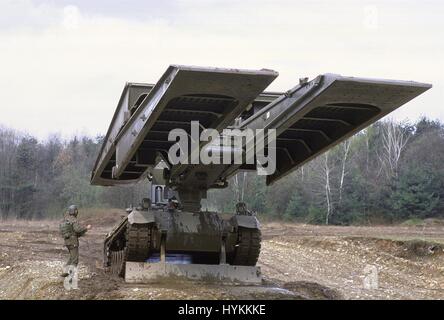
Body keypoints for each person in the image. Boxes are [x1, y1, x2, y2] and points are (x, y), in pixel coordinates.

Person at [59, 205, 91, 277]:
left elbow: (72, 232)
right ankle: (70, 278)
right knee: (75, 261)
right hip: (73, 242)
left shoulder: (66, 220)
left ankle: (65, 272)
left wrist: (83, 232)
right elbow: (77, 230)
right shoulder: (74, 220)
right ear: (75, 211)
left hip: (67, 242)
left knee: (71, 258)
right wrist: (86, 228)